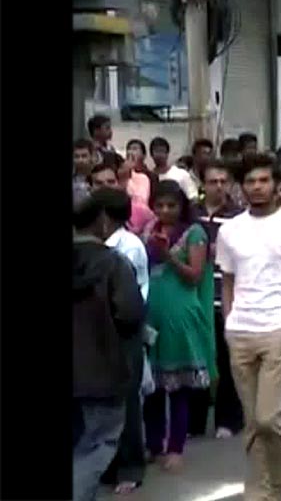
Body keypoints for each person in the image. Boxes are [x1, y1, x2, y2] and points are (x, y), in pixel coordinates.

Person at [216, 154, 281, 499]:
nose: (256, 188)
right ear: (241, 187)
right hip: (241, 331)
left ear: (277, 187)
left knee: (268, 416)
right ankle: (263, 489)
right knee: (252, 422)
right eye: (250, 182)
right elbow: (227, 281)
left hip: (277, 327)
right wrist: (230, 320)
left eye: (263, 181)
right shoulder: (230, 230)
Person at [73, 193, 146, 501]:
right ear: (103, 221)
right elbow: (130, 314)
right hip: (102, 370)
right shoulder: (113, 264)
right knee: (97, 444)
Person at [141, 181, 215, 471]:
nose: (164, 210)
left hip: (181, 315)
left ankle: (176, 447)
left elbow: (195, 276)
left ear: (182, 205)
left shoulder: (194, 234)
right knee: (153, 386)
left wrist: (168, 255)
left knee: (179, 385)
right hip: (152, 313)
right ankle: (154, 444)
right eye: (159, 205)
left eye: (171, 205)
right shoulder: (149, 229)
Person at [97, 188, 150, 495]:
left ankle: (131, 466)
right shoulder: (102, 245)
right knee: (106, 398)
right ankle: (110, 463)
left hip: (124, 325)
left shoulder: (127, 247)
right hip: (102, 326)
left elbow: (129, 296)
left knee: (127, 399)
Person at [190, 161, 244, 440]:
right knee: (197, 361)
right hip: (195, 298)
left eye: (224, 181)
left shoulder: (239, 217)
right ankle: (194, 422)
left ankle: (229, 420)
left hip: (226, 297)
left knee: (227, 362)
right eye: (213, 181)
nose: (219, 186)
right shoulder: (190, 213)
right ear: (203, 184)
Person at [90, 164, 156, 235]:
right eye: (99, 183)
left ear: (119, 184)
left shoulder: (141, 211)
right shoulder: (84, 213)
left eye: (111, 182)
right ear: (90, 187)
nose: (106, 187)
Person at [150, 137, 200, 202]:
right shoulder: (149, 177)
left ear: (167, 154)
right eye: (157, 151)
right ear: (152, 154)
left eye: (162, 151)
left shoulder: (181, 174)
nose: (160, 155)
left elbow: (193, 196)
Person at [74, 139, 96, 207]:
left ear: (92, 156)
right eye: (76, 156)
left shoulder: (99, 175)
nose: (80, 160)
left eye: (84, 156)